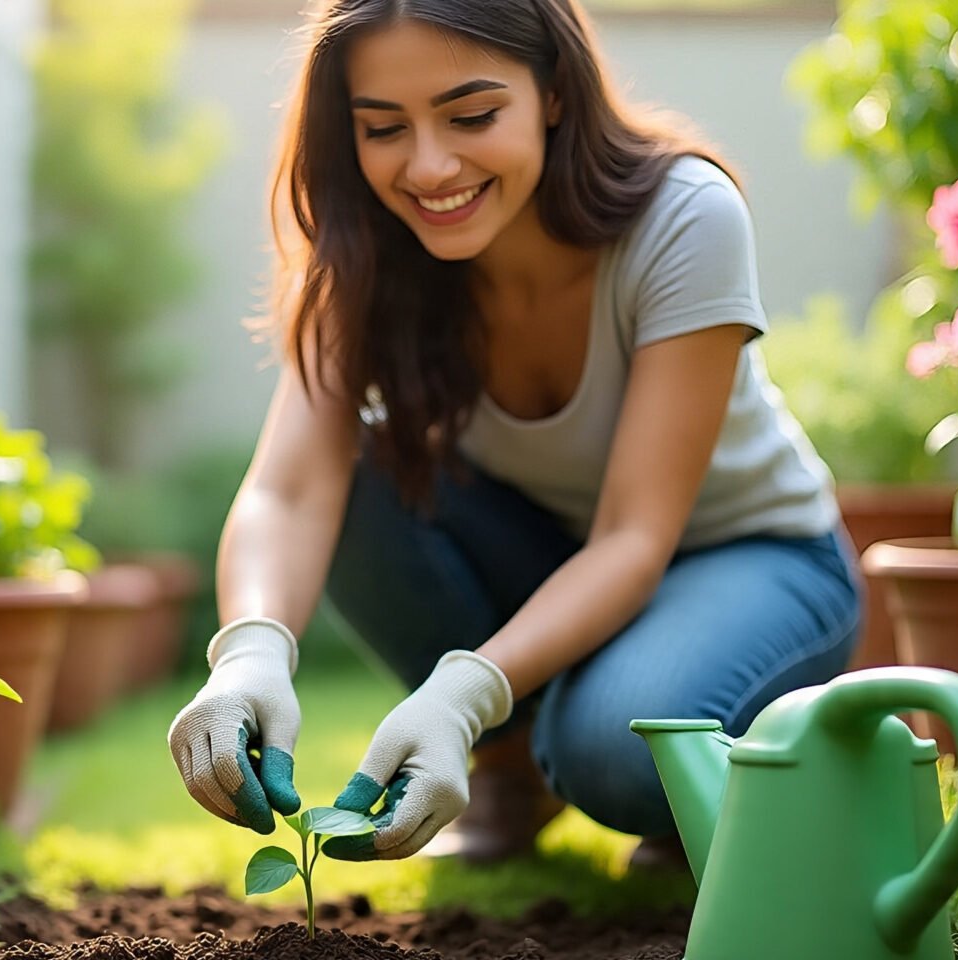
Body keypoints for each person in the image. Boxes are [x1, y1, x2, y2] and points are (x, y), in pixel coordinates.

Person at [167, 0, 863, 865]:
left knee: (612, 755)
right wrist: (248, 655)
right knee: (360, 475)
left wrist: (460, 694)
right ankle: (511, 775)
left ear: (556, 93)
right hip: (551, 553)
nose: (428, 167)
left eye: (472, 116)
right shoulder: (368, 251)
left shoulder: (685, 215)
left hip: (751, 557)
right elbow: (291, 489)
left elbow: (635, 537)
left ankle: (680, 784)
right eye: (384, 128)